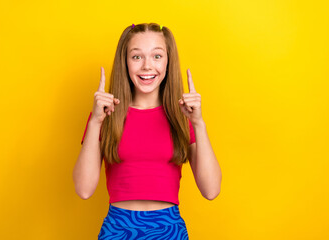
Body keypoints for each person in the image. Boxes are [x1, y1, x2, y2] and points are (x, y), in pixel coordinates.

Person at [73, 23, 222, 239]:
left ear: (168, 62)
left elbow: (211, 190)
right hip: (118, 228)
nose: (147, 66)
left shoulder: (182, 116)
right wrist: (96, 121)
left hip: (169, 229)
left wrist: (198, 123)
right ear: (125, 62)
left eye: (157, 56)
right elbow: (84, 190)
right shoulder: (105, 114)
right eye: (136, 57)